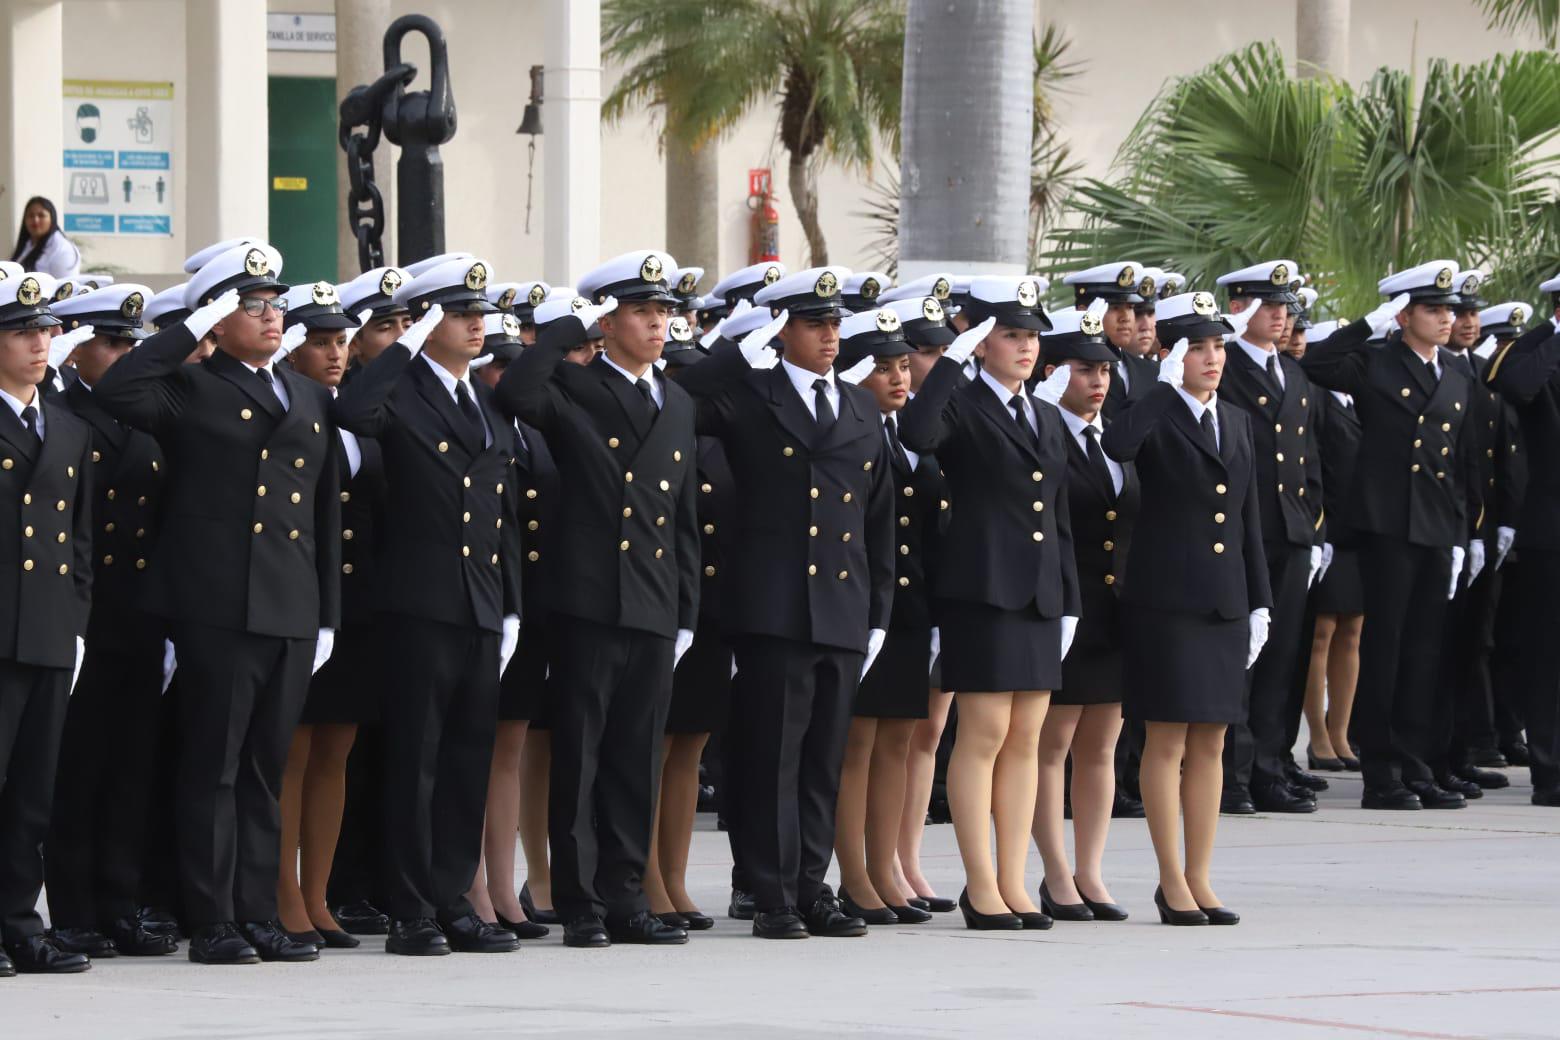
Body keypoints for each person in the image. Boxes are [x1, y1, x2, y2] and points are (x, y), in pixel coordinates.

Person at [94, 242, 339, 964]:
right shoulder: (190, 387)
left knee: (264, 772)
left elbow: (321, 514)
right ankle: (212, 919)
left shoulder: (305, 394)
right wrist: (192, 323)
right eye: (251, 305)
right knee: (214, 767)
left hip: (290, 602)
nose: (269, 317)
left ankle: (259, 911)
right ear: (219, 318)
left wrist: (326, 614)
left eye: (274, 305)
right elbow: (119, 391)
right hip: (218, 602)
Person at [676, 265, 894, 941]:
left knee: (823, 758)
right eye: (811, 324)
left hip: (841, 606)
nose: (830, 337)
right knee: (772, 755)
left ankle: (811, 886)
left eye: (834, 324)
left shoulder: (860, 405)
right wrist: (739, 343)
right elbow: (681, 398)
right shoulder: (752, 395)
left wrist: (878, 611)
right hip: (773, 605)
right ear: (782, 330)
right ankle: (769, 892)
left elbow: (878, 518)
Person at [495, 250, 699, 949]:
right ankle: (578, 900)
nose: (659, 324)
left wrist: (688, 610)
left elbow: (683, 518)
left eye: (664, 312)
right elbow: (516, 395)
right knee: (580, 755)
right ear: (607, 323)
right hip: (588, 598)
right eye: (643, 312)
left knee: (636, 758)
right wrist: (563, 329)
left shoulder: (677, 400)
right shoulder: (575, 387)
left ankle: (627, 894)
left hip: (654, 599)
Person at [331, 256, 523, 957]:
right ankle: (410, 906)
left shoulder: (481, 400)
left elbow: (501, 512)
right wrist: (405, 342)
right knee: (414, 760)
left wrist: (511, 607)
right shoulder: (403, 392)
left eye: (478, 314)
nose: (476, 324)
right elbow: (353, 410)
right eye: (459, 313)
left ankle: (452, 899)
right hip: (417, 603)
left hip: (478, 604)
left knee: (467, 758)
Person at [898, 276, 1078, 932]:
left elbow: (1058, 517)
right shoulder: (962, 403)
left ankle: (1012, 880)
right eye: (1010, 334)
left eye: (1031, 335)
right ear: (980, 340)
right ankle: (981, 884)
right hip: (981, 591)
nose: (1025, 346)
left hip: (1037, 594)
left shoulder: (1046, 414)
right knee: (983, 737)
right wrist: (950, 359)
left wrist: (1070, 604)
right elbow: (917, 433)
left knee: (1027, 739)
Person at [1102, 290, 1271, 926]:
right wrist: (1158, 391)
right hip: (1167, 602)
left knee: (1213, 741)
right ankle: (1170, 880)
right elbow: (1117, 445)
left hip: (1225, 600)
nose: (1211, 358)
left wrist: (1261, 600)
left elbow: (1249, 516)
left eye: (1218, 345)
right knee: (1167, 740)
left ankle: (1201, 876)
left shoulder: (1237, 419)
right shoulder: (1156, 412)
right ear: (1172, 355)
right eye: (1196, 347)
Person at [1301, 262, 1483, 811]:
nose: (1446, 318)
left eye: (1449, 310)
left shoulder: (1455, 373)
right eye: (1433, 309)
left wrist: (1462, 533)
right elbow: (1318, 363)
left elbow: (1462, 461)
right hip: (1387, 526)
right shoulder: (1377, 361)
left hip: (1435, 528)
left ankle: (1417, 763)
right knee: (1388, 651)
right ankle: (1383, 774)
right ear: (1403, 315)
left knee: (1426, 653)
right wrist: (1364, 324)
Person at [42, 284, 178, 960]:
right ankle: (73, 907)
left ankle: (120, 901)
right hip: (84, 613)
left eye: (132, 343)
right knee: (79, 765)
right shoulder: (61, 413)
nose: (124, 353)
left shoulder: (143, 417)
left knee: (131, 765)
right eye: (111, 341)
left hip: (140, 613)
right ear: (77, 345)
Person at [264, 280, 377, 952]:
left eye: (341, 342)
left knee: (336, 750)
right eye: (321, 342)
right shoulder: (285, 409)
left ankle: (318, 893)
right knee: (293, 754)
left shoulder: (355, 410)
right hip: (296, 596)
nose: (334, 354)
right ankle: (282, 892)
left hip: (353, 604)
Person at [827, 303, 943, 927]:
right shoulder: (854, 427)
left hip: (907, 603)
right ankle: (854, 875)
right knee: (858, 746)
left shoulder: (904, 433)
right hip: (865, 604)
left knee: (898, 742)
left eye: (904, 365)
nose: (899, 378)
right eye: (882, 368)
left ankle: (885, 865)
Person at [0, 270, 94, 975]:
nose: (42, 343)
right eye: (23, 333)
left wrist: (77, 622)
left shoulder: (65, 427)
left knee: (33, 794)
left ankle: (19, 924)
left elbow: (79, 541)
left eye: (46, 331)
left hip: (49, 633)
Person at [1029, 302, 1134, 924]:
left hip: (1118, 611)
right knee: (1053, 744)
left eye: (1104, 370)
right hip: (1067, 607)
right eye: (1082, 368)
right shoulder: (1041, 430)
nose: (1097, 381)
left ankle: (1090, 869)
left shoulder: (1116, 436)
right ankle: (1054, 871)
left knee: (1102, 746)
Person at [1212, 260, 1327, 815]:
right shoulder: (1224, 367)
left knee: (1282, 656)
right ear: (1239, 308)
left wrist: (1313, 526)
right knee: (1243, 657)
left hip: (1291, 529)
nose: (1280, 316)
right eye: (1269, 304)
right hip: (1244, 531)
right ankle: (1233, 775)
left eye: (1284, 305)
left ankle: (1272, 766)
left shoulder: (1294, 374)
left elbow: (1308, 459)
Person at [459, 309, 551, 941]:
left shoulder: (529, 430)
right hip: (474, 602)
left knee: (510, 748)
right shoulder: (471, 422)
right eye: (492, 362)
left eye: (508, 364)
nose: (500, 375)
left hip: (522, 606)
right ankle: (469, 886)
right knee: (470, 748)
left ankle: (502, 882)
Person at [645, 315, 726, 931]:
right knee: (649, 747)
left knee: (688, 748)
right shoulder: (650, 440)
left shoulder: (714, 445)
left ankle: (673, 875)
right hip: (655, 604)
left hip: (702, 613)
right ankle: (644, 874)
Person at [1429, 270, 1514, 798]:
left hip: (1471, 524)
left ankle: (1459, 751)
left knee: (1468, 645)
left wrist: (1492, 523)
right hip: (1437, 524)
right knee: (1435, 650)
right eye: (1453, 312)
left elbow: (1491, 454)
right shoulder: (1435, 371)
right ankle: (1437, 754)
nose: (1463, 322)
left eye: (1468, 313)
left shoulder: (1479, 372)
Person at [1485, 271, 1560, 805]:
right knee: (1547, 656)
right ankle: (1550, 770)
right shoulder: (1538, 352)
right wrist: (1555, 335)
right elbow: (1512, 385)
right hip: (1551, 531)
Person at [1297, 321, 1365, 773]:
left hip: (1360, 531)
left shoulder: (1361, 398)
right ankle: (1318, 736)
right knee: (1320, 634)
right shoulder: (1317, 397)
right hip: (1328, 528)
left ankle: (1341, 731)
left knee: (1352, 633)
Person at [1061, 261, 1158, 416]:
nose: (1125, 318)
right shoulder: (1066, 370)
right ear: (1084, 311)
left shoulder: (1151, 371)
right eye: (1114, 308)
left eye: (1130, 308)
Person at [336, 266, 414, 374]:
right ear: (354, 343)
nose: (402, 335)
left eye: (408, 325)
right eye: (385, 328)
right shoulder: (345, 391)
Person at [10, 197, 81, 280]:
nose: (35, 220)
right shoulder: (28, 245)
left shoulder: (62, 249)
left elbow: (67, 287)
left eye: (41, 215)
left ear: (52, 218)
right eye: (31, 215)